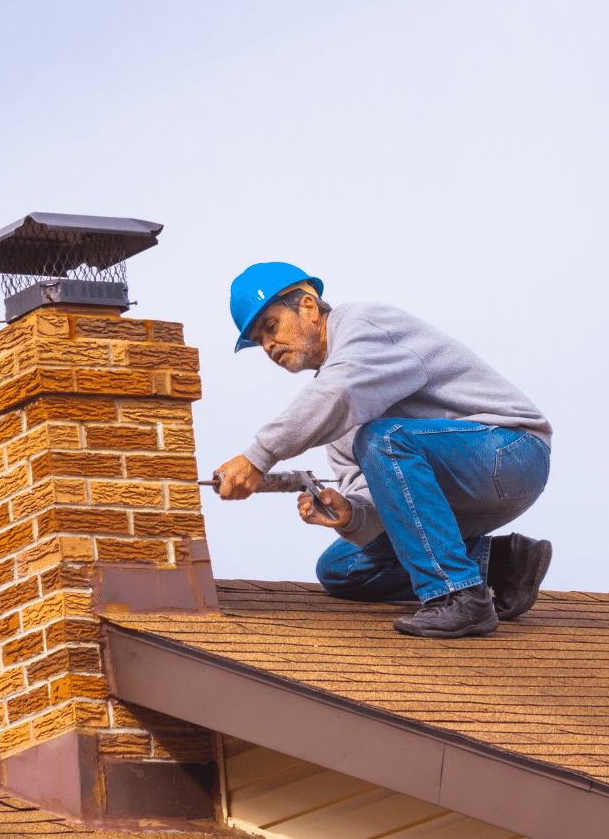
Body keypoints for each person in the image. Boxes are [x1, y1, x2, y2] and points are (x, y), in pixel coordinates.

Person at [214, 262, 553, 638]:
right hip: (462, 491)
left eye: (271, 327)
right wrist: (352, 515)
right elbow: (381, 498)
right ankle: (502, 565)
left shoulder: (364, 324)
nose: (268, 346)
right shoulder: (337, 417)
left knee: (384, 439)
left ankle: (459, 597)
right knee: (343, 567)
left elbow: (339, 392)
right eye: (259, 341)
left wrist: (257, 457)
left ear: (308, 307)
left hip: (512, 452)